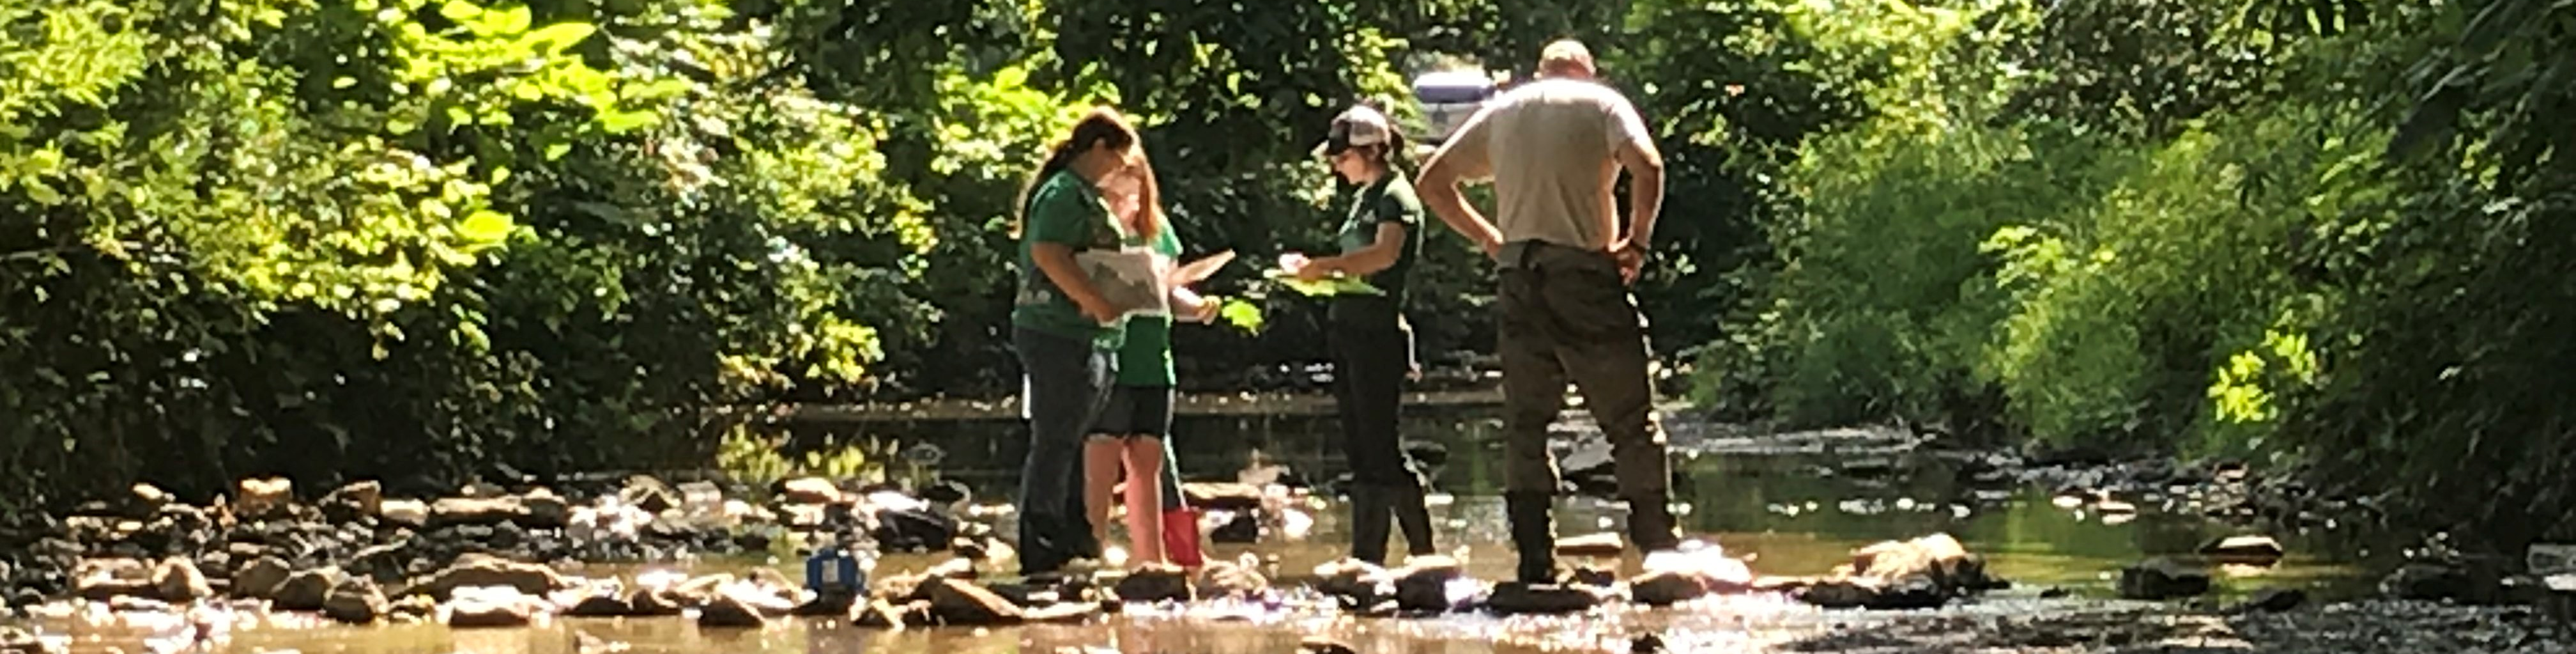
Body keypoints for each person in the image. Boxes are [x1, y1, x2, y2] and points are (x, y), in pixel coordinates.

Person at [1414, 40, 1678, 585]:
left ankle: (1535, 559)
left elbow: (1433, 183)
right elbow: (1648, 165)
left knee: (1527, 423)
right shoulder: (1601, 103)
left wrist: (1492, 241)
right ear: (1588, 71)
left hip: (1518, 277)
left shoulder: (1505, 109)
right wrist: (1637, 242)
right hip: (1583, 272)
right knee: (1629, 418)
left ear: (1540, 72)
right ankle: (1656, 550)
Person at [1282, 103, 1438, 565]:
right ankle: (1367, 556)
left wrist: (1324, 266)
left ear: (1371, 150)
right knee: (1360, 448)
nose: (1335, 164)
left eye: (1342, 155)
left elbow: (1384, 256)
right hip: (1348, 326)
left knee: (1382, 444)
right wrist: (1314, 272)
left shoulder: (1396, 197)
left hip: (1378, 332)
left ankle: (1424, 552)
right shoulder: (1365, 196)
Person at [1012, 107, 1147, 577]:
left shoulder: (1086, 195)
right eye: (1116, 158)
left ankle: (1072, 533)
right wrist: (1092, 299)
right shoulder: (1063, 194)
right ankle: (1040, 539)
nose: (1119, 169)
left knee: (1075, 436)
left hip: (1088, 333)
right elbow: (1047, 253)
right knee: (1055, 438)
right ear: (1096, 148)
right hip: (1055, 330)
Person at [1083, 157, 1218, 567]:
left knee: (1148, 458)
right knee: (1102, 457)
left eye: (1136, 182)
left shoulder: (1158, 230)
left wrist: (1199, 307)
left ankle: (1152, 561)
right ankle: (1092, 552)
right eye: (1120, 181)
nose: (1128, 191)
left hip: (1154, 357)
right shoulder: (1092, 225)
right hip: (1112, 350)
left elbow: (1171, 293)